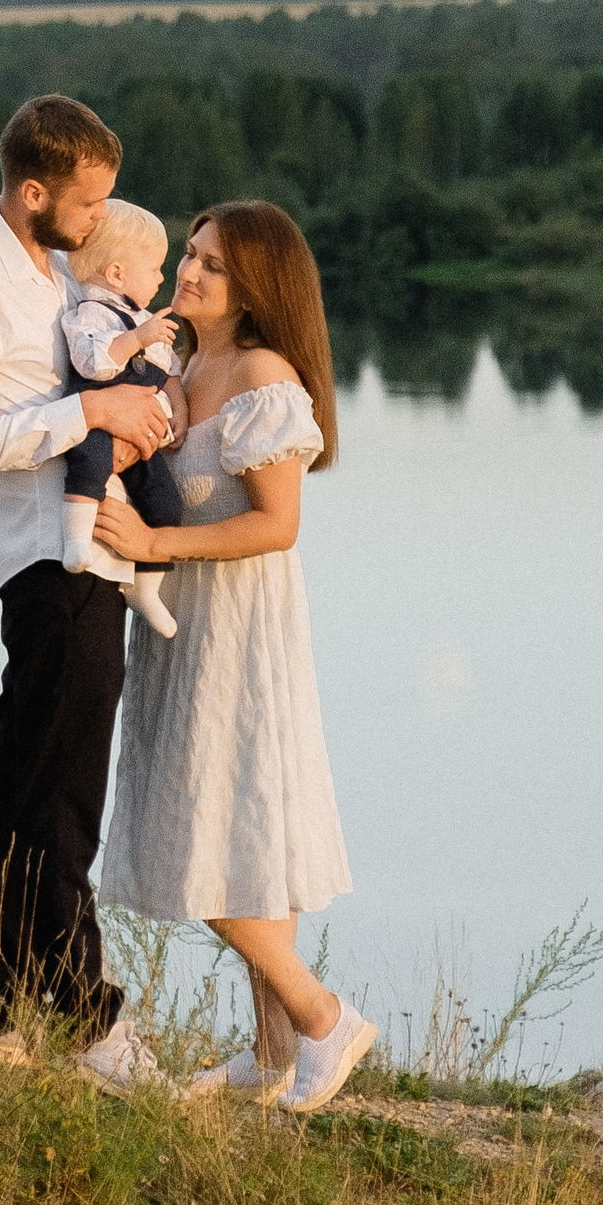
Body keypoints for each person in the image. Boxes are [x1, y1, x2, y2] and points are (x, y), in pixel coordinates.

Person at [0, 95, 174, 1093]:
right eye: (90, 200)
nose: (100, 218)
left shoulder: (55, 276)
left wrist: (130, 417)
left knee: (30, 784)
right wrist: (88, 417)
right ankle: (87, 1019)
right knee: (61, 792)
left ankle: (13, 1006)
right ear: (33, 192)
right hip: (48, 561)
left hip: (86, 555)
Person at [91, 197, 377, 1117]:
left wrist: (152, 543)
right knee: (243, 834)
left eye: (213, 264)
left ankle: (324, 1017)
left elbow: (277, 525)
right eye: (192, 253)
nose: (190, 271)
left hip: (238, 631)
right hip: (182, 625)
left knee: (207, 838)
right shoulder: (185, 361)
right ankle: (271, 1052)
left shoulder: (262, 376)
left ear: (255, 286)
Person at [58, 197, 186, 635]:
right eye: (154, 268)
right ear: (116, 273)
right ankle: (75, 540)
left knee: (165, 500)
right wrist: (138, 339)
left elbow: (168, 369)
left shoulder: (144, 318)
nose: (163, 278)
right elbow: (93, 363)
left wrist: (178, 405)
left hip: (141, 432)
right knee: (91, 463)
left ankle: (146, 588)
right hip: (97, 419)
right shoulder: (89, 314)